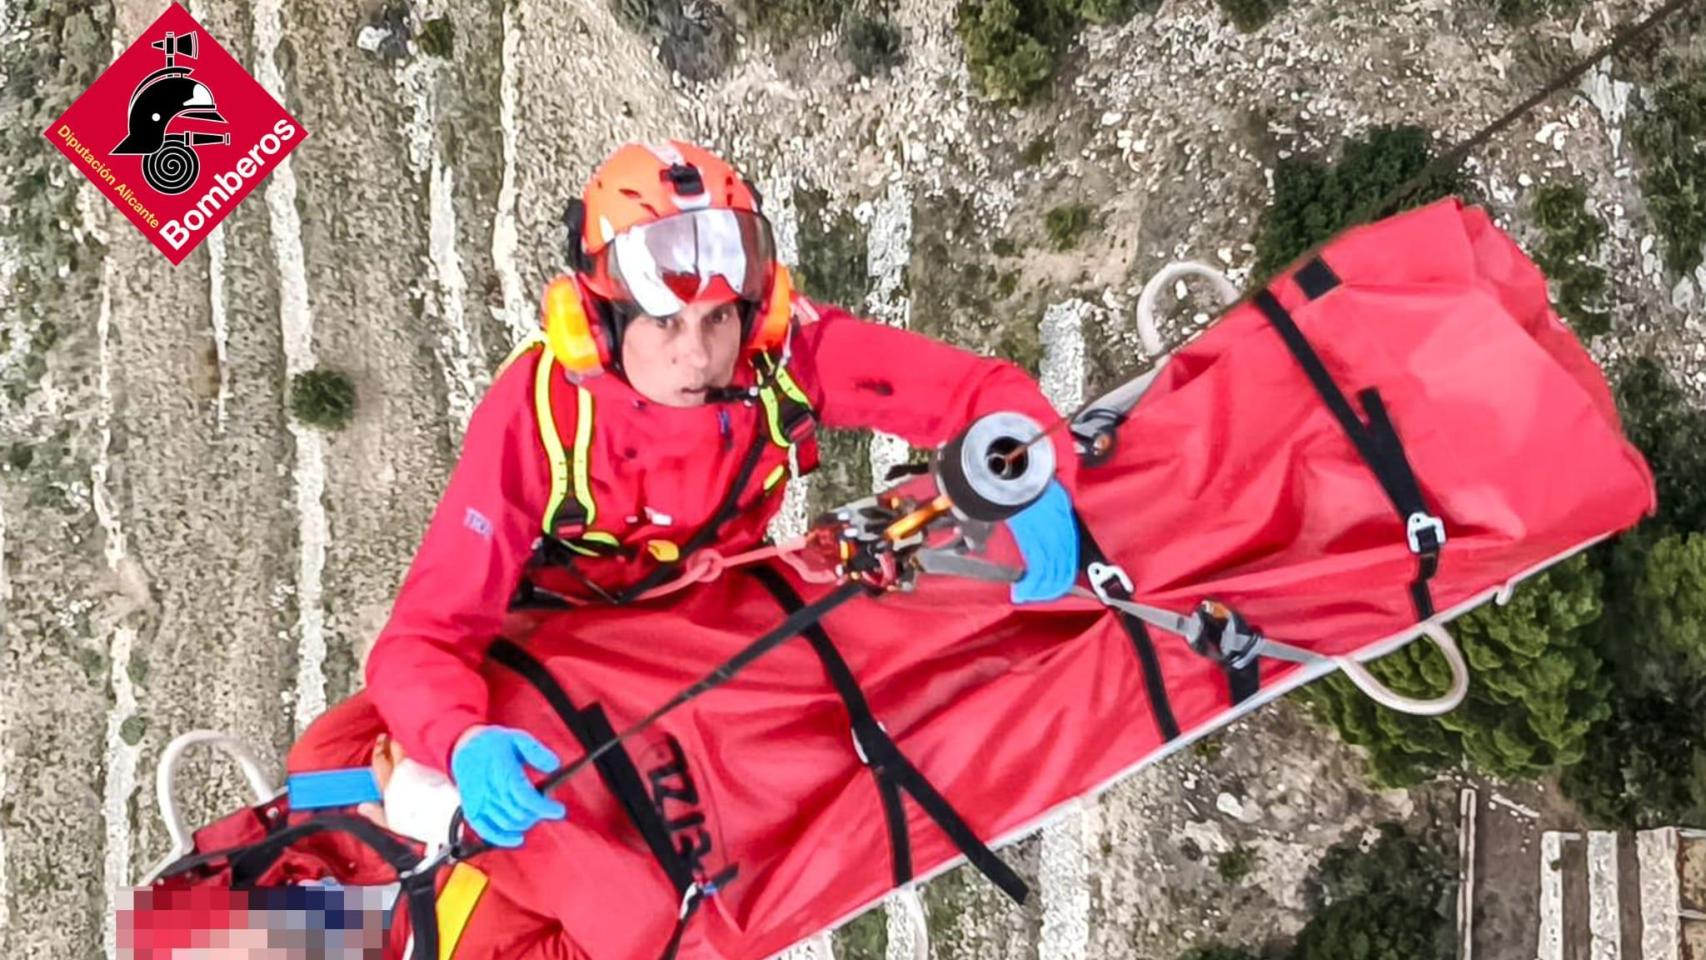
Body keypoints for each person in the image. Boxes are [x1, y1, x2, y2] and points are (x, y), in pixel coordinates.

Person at [363, 139, 1082, 852]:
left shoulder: (779, 357)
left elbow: (974, 392)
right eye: (667, 324)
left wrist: (1033, 465)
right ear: (602, 327)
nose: (700, 356)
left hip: (721, 611)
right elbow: (426, 634)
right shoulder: (538, 418)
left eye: (718, 318)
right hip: (569, 637)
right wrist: (460, 737)